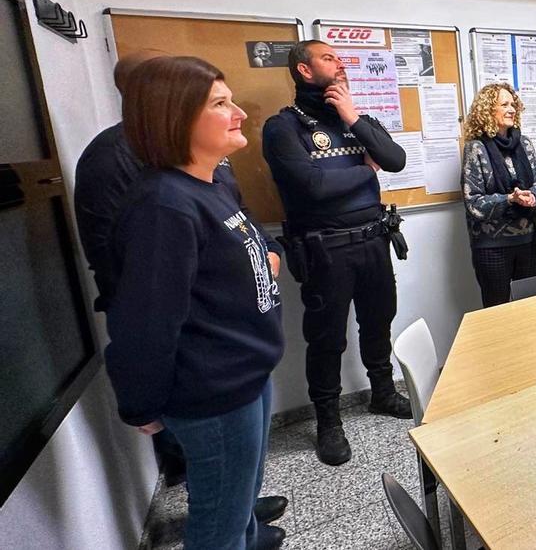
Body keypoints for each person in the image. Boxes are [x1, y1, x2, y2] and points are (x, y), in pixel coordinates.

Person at [74, 50, 287, 526]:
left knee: (238, 499)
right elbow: (146, 318)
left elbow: (247, 235)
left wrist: (268, 254)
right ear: (176, 116)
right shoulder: (164, 206)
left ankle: (250, 534)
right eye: (219, 104)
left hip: (243, 370)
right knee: (218, 523)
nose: (238, 114)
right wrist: (142, 402)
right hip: (211, 385)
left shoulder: (208, 183)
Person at [261, 40, 411, 467]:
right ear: (305, 71)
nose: (340, 64)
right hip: (326, 249)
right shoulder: (283, 127)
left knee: (378, 320)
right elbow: (312, 187)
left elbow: (395, 160)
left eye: (340, 58)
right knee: (326, 339)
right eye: (329, 58)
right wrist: (364, 172)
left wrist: (351, 116)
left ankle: (382, 392)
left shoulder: (356, 120)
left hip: (373, 241)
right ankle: (328, 421)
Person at [461, 82, 536, 307]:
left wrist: (531, 197)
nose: (512, 109)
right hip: (492, 247)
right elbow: (474, 202)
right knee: (498, 313)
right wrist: (510, 198)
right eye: (504, 104)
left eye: (513, 104)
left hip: (529, 241)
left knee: (530, 308)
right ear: (488, 110)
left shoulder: (525, 144)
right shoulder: (476, 148)